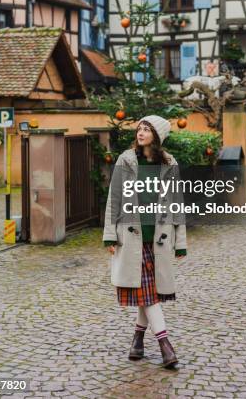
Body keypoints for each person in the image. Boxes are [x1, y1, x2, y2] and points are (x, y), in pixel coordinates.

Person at [103, 115, 187, 368]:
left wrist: (180, 241)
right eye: (139, 128)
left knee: (147, 294)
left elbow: (177, 204)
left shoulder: (170, 164)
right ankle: (165, 346)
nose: (141, 132)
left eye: (147, 129)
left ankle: (138, 340)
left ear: (157, 136)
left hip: (157, 241)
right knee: (149, 295)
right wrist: (109, 234)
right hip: (131, 240)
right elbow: (113, 198)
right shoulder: (125, 160)